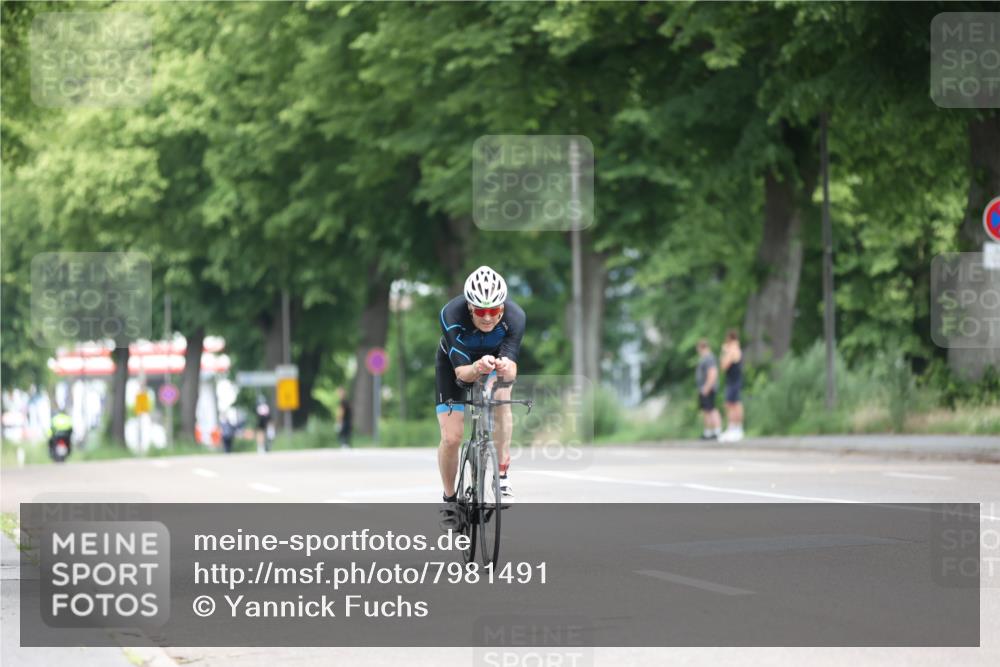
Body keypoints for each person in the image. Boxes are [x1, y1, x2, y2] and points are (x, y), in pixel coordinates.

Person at [437, 266, 525, 527]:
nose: (488, 318)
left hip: (494, 362)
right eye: (481, 311)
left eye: (494, 311)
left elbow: (512, 367)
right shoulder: (451, 314)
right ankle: (450, 500)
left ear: (502, 308)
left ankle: (502, 472)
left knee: (502, 395)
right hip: (456, 364)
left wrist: (505, 368)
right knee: (451, 438)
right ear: (469, 308)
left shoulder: (516, 316)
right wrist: (477, 367)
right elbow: (462, 374)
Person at [719, 329, 744, 442]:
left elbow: (724, 365)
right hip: (733, 380)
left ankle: (736, 428)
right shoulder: (735, 348)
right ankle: (734, 428)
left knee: (733, 404)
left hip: (734, 380)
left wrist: (724, 352)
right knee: (731, 404)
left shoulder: (733, 349)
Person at [695, 339, 722, 440]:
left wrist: (707, 386)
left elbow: (713, 373)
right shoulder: (705, 358)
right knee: (706, 410)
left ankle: (717, 431)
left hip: (708, 388)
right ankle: (708, 432)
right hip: (704, 388)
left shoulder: (709, 358)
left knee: (712, 409)